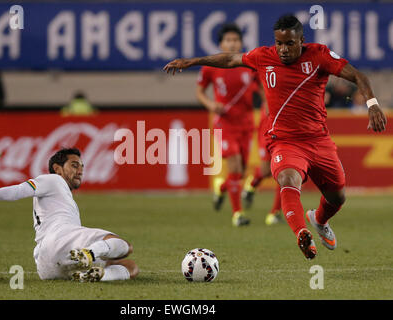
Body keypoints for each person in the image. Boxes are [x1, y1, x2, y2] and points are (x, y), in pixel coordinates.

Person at [164, 14, 387, 259]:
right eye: (279, 43)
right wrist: (193, 61)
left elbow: (357, 76)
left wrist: (372, 104)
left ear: (301, 40)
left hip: (318, 140)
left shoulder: (319, 55)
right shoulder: (263, 56)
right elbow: (229, 59)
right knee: (287, 179)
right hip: (284, 141)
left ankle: (319, 220)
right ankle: (302, 233)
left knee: (337, 196)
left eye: (289, 43)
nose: (282, 49)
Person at [0, 148, 139, 282]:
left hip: (47, 266)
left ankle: (98, 275)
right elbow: (19, 190)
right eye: (74, 165)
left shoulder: (62, 196)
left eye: (81, 166)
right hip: (60, 238)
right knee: (124, 246)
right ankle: (90, 253)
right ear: (57, 168)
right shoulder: (52, 180)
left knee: (130, 267)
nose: (80, 170)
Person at [196, 23, 262, 227]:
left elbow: (263, 88)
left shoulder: (250, 64)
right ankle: (237, 214)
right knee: (233, 165)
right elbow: (199, 91)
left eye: (236, 40)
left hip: (247, 123)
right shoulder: (211, 67)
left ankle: (221, 187)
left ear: (241, 43)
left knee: (239, 173)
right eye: (228, 40)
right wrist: (210, 104)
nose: (233, 44)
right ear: (221, 44)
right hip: (224, 124)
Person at [242, 101, 283, 226]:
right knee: (266, 171)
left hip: (284, 132)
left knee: (284, 172)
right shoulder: (267, 83)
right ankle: (251, 185)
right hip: (266, 130)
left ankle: (274, 213)